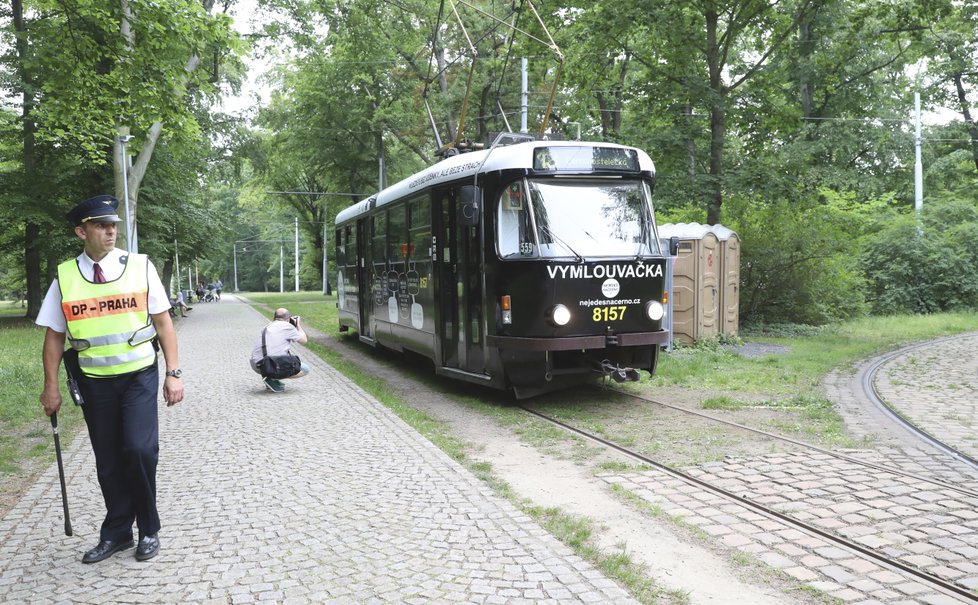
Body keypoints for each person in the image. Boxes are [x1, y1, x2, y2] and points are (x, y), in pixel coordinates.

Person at [36, 194, 184, 564]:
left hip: (138, 375)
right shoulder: (66, 276)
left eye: (113, 225)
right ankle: (118, 532)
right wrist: (51, 386)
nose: (110, 231)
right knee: (108, 460)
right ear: (80, 231)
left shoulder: (140, 267)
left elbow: (164, 322)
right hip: (94, 381)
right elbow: (54, 336)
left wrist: (173, 373)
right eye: (101, 225)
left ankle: (149, 528)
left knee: (139, 449)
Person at [249, 307, 310, 392]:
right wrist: (298, 325)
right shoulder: (288, 327)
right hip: (271, 365)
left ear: (274, 318)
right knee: (306, 369)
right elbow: (304, 341)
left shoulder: (266, 327)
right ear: (288, 318)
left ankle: (270, 376)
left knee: (277, 355)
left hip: (257, 364)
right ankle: (272, 378)